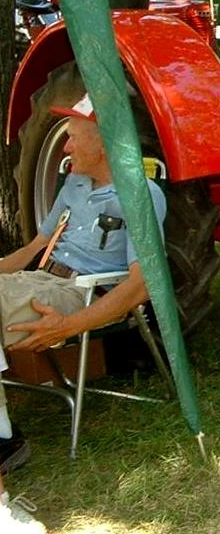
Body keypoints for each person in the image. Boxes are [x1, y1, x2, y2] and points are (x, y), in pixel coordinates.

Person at [0, 94, 167, 529]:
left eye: (73, 137)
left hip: (76, 293)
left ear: (106, 141)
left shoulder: (139, 194)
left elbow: (142, 284)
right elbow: (35, 250)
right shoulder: (73, 183)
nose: (65, 147)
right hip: (39, 279)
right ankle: (4, 438)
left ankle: (3, 444)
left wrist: (70, 326)